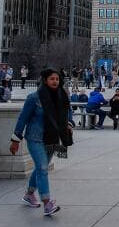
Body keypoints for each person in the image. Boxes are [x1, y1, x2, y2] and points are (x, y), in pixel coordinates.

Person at [10, 68, 74, 217]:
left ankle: (29, 195)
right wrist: (15, 139)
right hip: (35, 138)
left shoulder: (62, 96)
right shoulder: (34, 98)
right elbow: (23, 118)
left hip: (53, 138)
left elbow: (68, 112)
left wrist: (69, 124)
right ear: (45, 80)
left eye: (57, 79)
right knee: (43, 168)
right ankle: (47, 203)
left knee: (40, 168)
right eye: (52, 79)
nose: (55, 81)